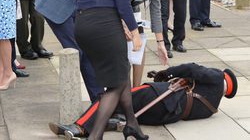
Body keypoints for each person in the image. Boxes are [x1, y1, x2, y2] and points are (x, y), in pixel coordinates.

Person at [74, 0, 148, 140]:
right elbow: (123, 4)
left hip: (82, 25)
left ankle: (132, 125)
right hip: (105, 26)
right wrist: (134, 33)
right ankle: (95, 135)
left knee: (120, 74)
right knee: (115, 84)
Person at [48, 63, 238, 139]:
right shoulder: (213, 108)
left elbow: (192, 69)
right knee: (124, 111)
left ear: (224, 78)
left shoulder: (216, 76)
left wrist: (167, 73)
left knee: (110, 97)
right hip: (167, 115)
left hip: (161, 96)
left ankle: (78, 127)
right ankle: (110, 124)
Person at [130, 0, 172, 87]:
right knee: (125, 48)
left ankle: (135, 89)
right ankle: (122, 92)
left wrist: (160, 43)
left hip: (134, 11)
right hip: (117, 11)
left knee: (140, 46)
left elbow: (155, 9)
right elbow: (121, 2)